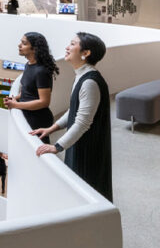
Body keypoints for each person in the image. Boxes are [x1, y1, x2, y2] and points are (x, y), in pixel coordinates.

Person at [30, 33, 112, 201]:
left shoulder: (90, 82)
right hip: (79, 142)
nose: (67, 47)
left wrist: (57, 147)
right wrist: (52, 128)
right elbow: (74, 110)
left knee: (86, 190)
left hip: (87, 147)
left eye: (72, 44)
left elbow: (83, 121)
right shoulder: (82, 75)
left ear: (86, 53)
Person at [3, 32, 59, 144]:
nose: (19, 45)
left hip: (37, 119)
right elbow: (27, 90)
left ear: (34, 49)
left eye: (24, 43)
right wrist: (15, 98)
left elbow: (44, 102)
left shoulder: (41, 71)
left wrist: (16, 105)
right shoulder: (28, 64)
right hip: (28, 114)